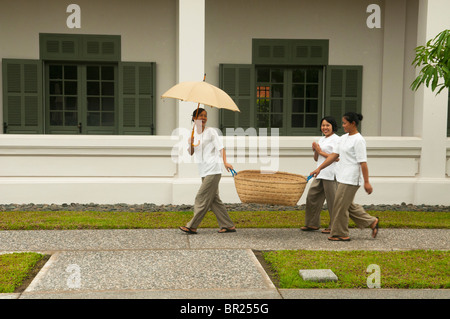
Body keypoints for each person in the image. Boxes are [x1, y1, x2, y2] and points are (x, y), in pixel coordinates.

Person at [310, 112, 379, 241]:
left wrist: (367, 182)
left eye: (345, 123)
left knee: (340, 205)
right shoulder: (343, 138)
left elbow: (363, 163)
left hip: (351, 179)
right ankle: (372, 222)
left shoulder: (359, 140)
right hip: (341, 177)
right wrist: (319, 168)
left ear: (353, 123)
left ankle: (340, 233)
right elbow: (333, 156)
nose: (343, 125)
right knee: (347, 205)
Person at [179, 108, 236, 234]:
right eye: (200, 116)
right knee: (214, 200)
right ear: (194, 118)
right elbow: (191, 153)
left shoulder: (211, 132)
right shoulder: (193, 133)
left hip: (213, 169)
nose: (203, 118)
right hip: (203, 171)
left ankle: (192, 226)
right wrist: (190, 144)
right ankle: (228, 225)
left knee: (201, 197)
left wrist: (225, 162)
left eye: (205, 116)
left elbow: (221, 148)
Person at [301, 116, 340, 234]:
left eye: (327, 125)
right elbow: (317, 158)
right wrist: (315, 151)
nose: (325, 127)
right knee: (312, 197)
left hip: (332, 174)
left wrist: (319, 151)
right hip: (320, 173)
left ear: (333, 126)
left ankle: (335, 227)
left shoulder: (337, 140)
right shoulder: (322, 139)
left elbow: (336, 158)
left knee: (333, 202)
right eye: (323, 125)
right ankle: (312, 224)